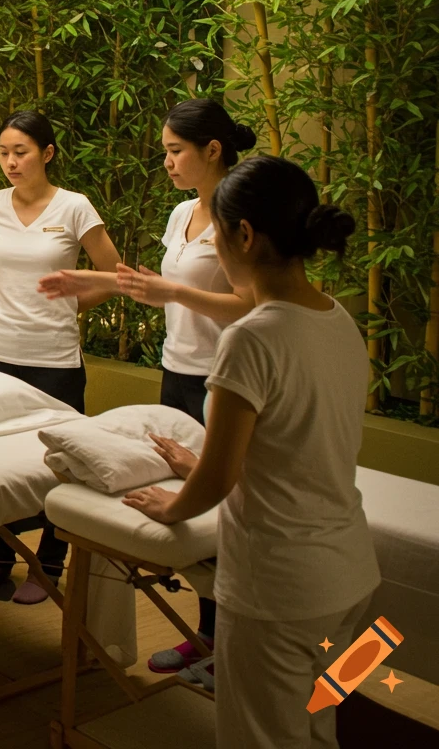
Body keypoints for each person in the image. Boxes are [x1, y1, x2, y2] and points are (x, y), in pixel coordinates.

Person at [123, 155, 377, 749]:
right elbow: (298, 444)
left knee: (259, 739)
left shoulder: (250, 338)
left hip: (280, 594)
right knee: (316, 728)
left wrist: (172, 505)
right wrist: (200, 465)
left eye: (215, 237)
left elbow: (214, 485)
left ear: (243, 235)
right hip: (354, 583)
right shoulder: (339, 319)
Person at [39, 98, 257, 670]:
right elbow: (156, 285)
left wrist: (176, 293)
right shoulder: (181, 214)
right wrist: (87, 278)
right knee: (195, 517)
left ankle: (234, 648)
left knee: (225, 513)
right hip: (177, 371)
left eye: (175, 150)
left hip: (224, 380)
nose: (166, 162)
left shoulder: (242, 219)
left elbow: (251, 307)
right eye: (164, 151)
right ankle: (207, 637)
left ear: (212, 150)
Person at [0, 111, 122, 603]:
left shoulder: (74, 208)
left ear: (46, 154)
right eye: (4, 152)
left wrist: (69, 304)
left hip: (54, 357)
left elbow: (112, 274)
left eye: (20, 152)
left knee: (60, 461)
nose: (10, 161)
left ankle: (49, 565)